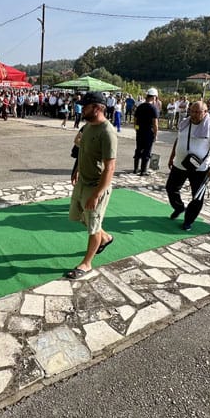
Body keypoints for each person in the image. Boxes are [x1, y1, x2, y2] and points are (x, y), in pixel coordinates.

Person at [67, 91, 117, 280]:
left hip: (96, 186)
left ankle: (87, 264)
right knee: (80, 217)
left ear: (97, 108)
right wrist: (77, 169)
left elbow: (110, 168)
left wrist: (96, 194)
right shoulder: (87, 126)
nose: (81, 109)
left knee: (93, 226)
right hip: (82, 181)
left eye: (85, 106)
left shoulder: (107, 132)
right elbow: (83, 151)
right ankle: (105, 238)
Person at [166, 101, 210, 231]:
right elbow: (178, 139)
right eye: (192, 111)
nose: (194, 114)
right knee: (170, 188)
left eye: (198, 112)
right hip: (180, 164)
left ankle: (188, 220)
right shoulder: (185, 123)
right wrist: (171, 157)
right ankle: (179, 207)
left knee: (197, 197)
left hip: (200, 168)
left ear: (205, 112)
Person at [132, 88, 160, 175]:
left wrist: (137, 129)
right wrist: (155, 134)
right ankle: (143, 170)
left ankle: (135, 169)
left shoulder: (140, 106)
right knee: (147, 151)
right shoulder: (153, 108)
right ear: (154, 97)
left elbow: (135, 120)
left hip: (140, 131)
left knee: (138, 149)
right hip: (149, 132)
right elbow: (155, 124)